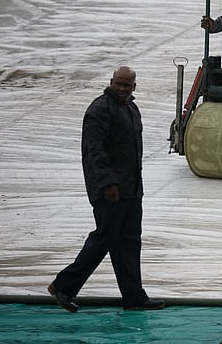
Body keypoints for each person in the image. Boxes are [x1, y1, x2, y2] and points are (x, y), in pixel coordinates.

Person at [47, 66, 164, 312]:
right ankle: (63, 286)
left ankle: (134, 297)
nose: (122, 89)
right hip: (110, 190)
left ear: (134, 86)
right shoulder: (99, 110)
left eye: (127, 85)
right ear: (111, 82)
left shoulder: (131, 108)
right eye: (119, 84)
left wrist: (134, 187)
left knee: (129, 242)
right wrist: (108, 183)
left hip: (131, 189)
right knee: (104, 238)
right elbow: (95, 152)